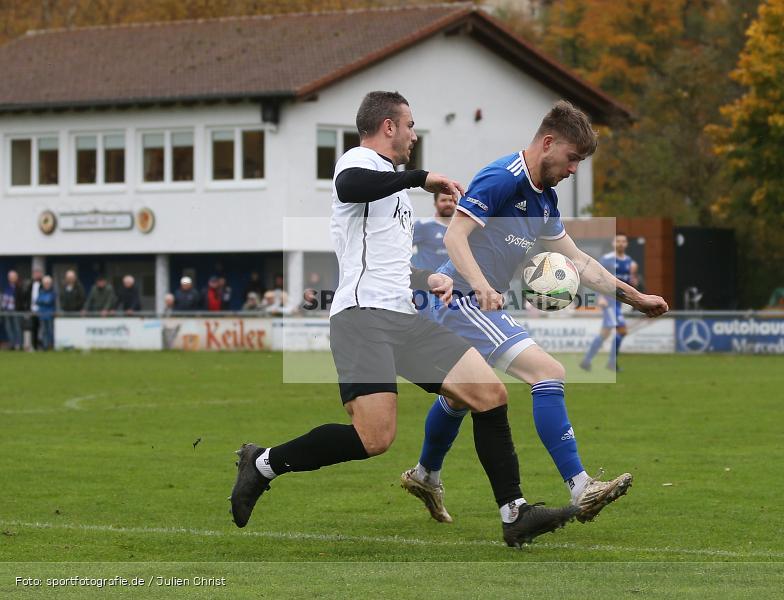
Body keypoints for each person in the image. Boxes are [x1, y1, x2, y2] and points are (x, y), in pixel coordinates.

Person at [230, 91, 577, 547]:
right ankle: (262, 463)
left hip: (403, 315)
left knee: (489, 393)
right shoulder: (359, 162)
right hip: (362, 318)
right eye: (410, 126)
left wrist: (428, 276)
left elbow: (382, 259)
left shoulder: (393, 190)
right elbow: (349, 187)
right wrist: (419, 178)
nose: (414, 135)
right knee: (375, 438)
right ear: (388, 127)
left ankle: (515, 514)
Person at [400, 100, 669, 526]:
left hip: (474, 301)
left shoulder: (544, 200)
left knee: (459, 398)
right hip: (461, 300)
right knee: (548, 372)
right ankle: (581, 485)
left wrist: (636, 297)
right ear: (548, 143)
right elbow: (456, 238)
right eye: (572, 158)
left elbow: (579, 262)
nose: (574, 169)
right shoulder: (501, 178)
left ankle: (425, 474)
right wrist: (485, 286)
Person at [580, 233, 639, 372]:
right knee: (622, 330)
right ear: (613, 243)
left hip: (619, 303)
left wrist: (633, 283)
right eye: (618, 241)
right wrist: (599, 297)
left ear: (626, 244)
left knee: (605, 333)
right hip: (609, 302)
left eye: (623, 241)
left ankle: (586, 361)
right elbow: (597, 279)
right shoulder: (606, 260)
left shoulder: (630, 262)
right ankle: (612, 363)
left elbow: (628, 282)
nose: (621, 243)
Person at [412, 191, 458, 271]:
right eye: (443, 200)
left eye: (451, 200)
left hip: (452, 280)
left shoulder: (460, 227)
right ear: (435, 203)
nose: (448, 204)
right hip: (427, 280)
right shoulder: (423, 225)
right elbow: (403, 248)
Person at [1, 270, 25, 350]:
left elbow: (22, 300)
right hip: (6, 311)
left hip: (16, 311)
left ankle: (19, 344)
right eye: (10, 277)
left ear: (16, 278)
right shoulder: (6, 287)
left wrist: (20, 308)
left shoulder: (19, 287)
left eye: (13, 277)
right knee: (9, 328)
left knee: (17, 328)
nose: (12, 279)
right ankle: (12, 344)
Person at [36, 275, 56, 350]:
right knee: (43, 331)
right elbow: (37, 301)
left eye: (48, 283)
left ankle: (51, 345)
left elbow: (49, 301)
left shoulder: (53, 292)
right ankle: (45, 346)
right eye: (45, 283)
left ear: (50, 284)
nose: (47, 285)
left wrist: (43, 301)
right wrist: (45, 301)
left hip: (50, 315)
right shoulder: (41, 292)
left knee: (51, 331)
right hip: (42, 315)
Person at [27, 267, 43, 350]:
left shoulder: (43, 284)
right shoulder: (30, 284)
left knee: (43, 328)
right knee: (33, 328)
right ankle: (34, 346)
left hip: (42, 310)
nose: (36, 275)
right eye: (35, 273)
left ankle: (43, 345)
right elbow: (27, 296)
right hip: (32, 310)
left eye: (38, 273)